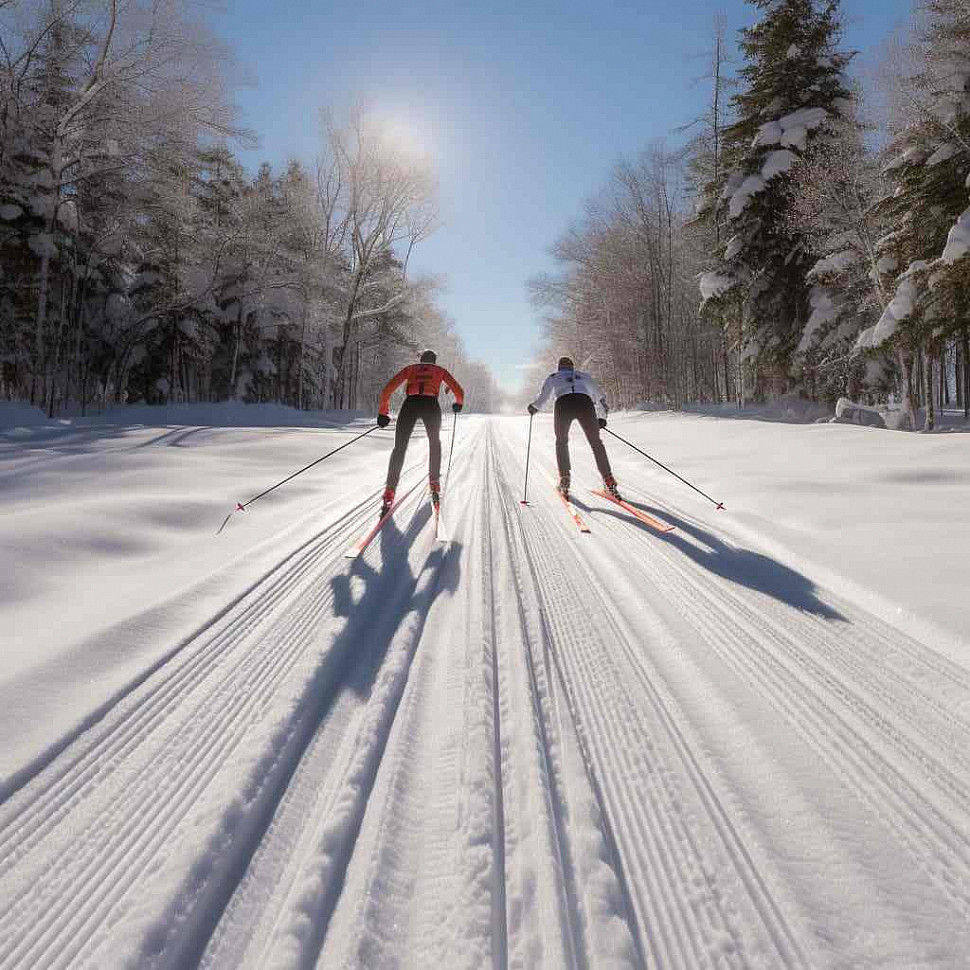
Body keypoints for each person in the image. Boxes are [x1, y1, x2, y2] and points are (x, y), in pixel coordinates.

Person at [377, 349, 464, 515]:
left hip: (410, 404)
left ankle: (389, 491)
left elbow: (388, 388)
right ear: (434, 361)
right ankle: (434, 483)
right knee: (434, 442)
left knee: (399, 448)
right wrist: (458, 403)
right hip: (430, 405)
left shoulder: (411, 369)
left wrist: (383, 412)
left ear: (421, 360)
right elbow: (459, 390)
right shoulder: (440, 371)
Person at [528, 356, 620, 500]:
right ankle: (609, 480)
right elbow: (600, 398)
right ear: (572, 367)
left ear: (559, 367)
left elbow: (543, 398)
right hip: (584, 403)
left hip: (563, 404)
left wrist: (534, 407)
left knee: (561, 441)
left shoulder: (553, 376)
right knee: (596, 442)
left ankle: (565, 479)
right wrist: (601, 418)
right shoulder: (584, 376)